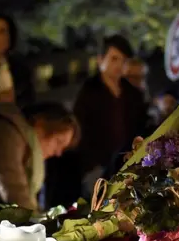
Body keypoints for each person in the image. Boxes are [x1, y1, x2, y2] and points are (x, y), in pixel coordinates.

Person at [52, 34, 146, 206]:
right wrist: (91, 165)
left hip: (127, 163)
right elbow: (80, 130)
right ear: (101, 59)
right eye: (114, 59)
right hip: (95, 167)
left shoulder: (133, 94)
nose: (118, 65)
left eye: (123, 60)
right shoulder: (88, 92)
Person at [0, 102, 79, 211]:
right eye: (58, 142)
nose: (58, 153)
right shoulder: (7, 132)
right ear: (41, 122)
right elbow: (15, 192)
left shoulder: (20, 140)